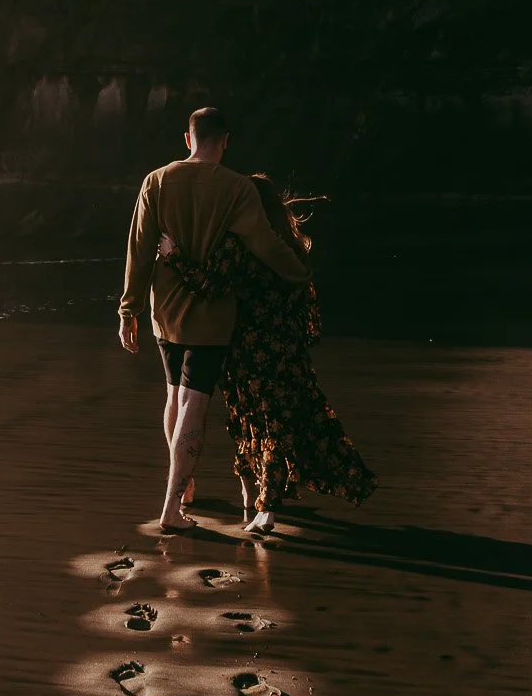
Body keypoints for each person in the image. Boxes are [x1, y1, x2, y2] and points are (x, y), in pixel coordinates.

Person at [119, 108, 310, 531]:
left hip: (163, 313)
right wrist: (300, 273)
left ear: (187, 139)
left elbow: (139, 248)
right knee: (194, 403)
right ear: (223, 141)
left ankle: (184, 487)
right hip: (211, 318)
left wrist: (128, 309)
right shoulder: (237, 188)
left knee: (172, 399)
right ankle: (172, 507)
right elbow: (264, 243)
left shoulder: (156, 181)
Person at [157, 174, 375, 533]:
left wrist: (174, 256)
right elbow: (305, 299)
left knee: (250, 427)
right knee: (281, 425)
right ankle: (256, 503)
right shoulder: (290, 246)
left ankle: (264, 507)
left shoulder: (240, 245)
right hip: (286, 352)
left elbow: (210, 285)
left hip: (247, 352)